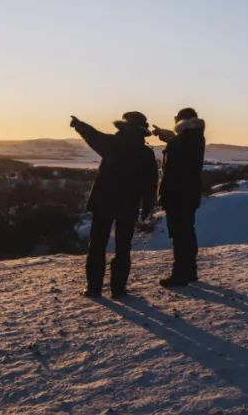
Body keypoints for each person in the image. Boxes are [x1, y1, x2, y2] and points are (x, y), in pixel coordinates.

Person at [71, 111, 157, 299]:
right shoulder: (145, 153)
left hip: (103, 202)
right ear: (142, 131)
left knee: (97, 246)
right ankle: (118, 290)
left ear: (123, 127)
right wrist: (148, 205)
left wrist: (79, 125)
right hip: (128, 205)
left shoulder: (111, 144)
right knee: (123, 248)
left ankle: (93, 289)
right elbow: (150, 183)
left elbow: (92, 135)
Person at [152, 107, 206, 287]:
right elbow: (178, 146)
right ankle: (189, 271)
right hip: (186, 194)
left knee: (180, 234)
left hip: (179, 194)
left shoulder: (189, 139)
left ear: (182, 121)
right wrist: (168, 137)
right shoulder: (193, 137)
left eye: (176, 118)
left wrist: (170, 139)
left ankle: (181, 274)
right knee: (186, 233)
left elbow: (178, 155)